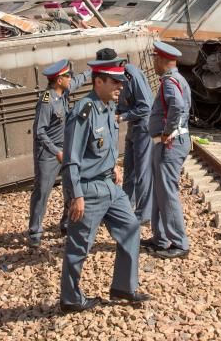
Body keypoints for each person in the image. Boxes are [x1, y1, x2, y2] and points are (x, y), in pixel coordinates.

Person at [60, 57, 149, 312]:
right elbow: (71, 160)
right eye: (115, 82)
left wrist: (114, 167)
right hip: (88, 190)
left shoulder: (108, 106)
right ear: (98, 81)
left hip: (110, 186)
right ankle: (71, 298)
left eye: (122, 81)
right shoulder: (83, 111)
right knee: (79, 247)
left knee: (131, 227)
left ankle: (123, 286)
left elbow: (103, 147)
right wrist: (75, 196)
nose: (120, 87)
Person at [28, 60, 92, 248]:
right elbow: (39, 132)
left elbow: (79, 80)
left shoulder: (63, 92)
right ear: (58, 80)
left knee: (70, 189)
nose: (70, 79)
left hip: (65, 150)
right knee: (42, 192)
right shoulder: (46, 101)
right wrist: (56, 152)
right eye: (67, 76)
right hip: (48, 154)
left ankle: (66, 224)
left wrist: (92, 71)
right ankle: (34, 232)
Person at [142, 41, 192, 259]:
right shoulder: (178, 79)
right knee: (160, 192)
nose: (153, 62)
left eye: (155, 58)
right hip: (170, 143)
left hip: (170, 144)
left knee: (167, 193)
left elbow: (177, 106)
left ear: (162, 60)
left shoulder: (170, 82)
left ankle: (179, 242)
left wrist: (168, 130)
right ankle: (160, 238)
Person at [96, 47, 153, 224]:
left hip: (143, 125)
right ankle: (126, 208)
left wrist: (121, 116)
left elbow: (145, 107)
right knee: (130, 169)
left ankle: (143, 214)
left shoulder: (131, 75)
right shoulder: (116, 77)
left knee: (142, 172)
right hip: (132, 124)